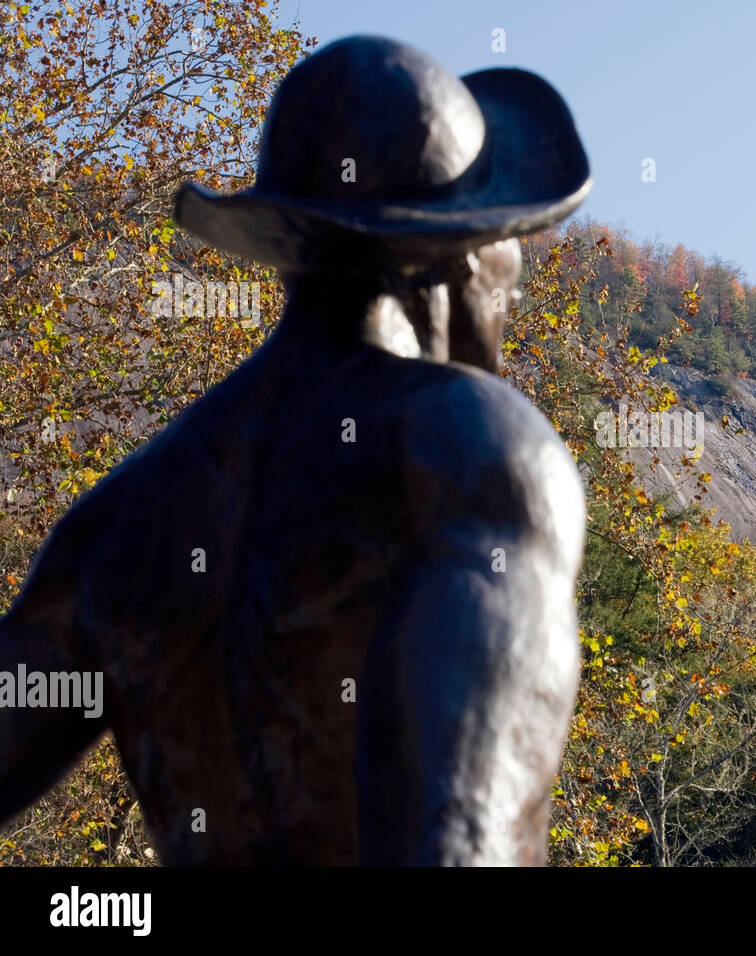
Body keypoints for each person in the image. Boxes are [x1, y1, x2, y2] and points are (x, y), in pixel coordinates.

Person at [0, 34, 592, 865]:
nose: (515, 283)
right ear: (458, 255)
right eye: (510, 243)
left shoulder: (126, 516)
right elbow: (458, 840)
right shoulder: (482, 453)